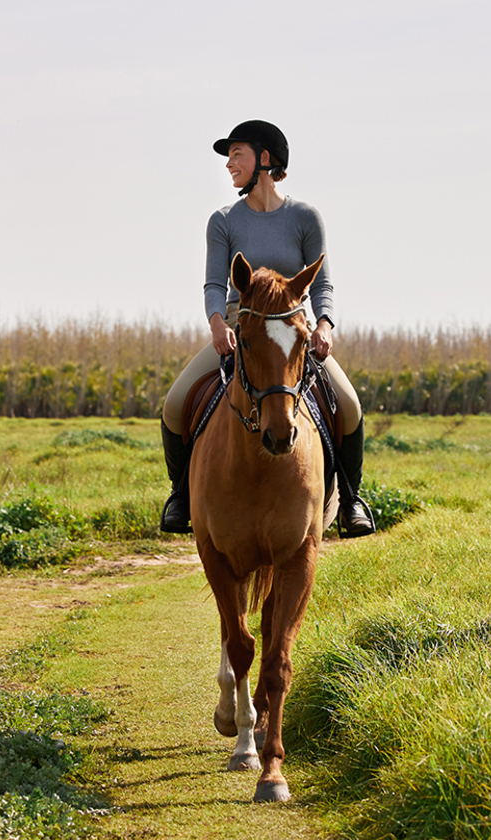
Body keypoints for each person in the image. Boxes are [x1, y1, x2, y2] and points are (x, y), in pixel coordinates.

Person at [159, 120, 374, 537]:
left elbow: (322, 282)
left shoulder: (305, 217)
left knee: (349, 407)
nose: (228, 164)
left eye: (236, 153)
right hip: (240, 327)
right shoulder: (222, 221)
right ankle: (181, 496)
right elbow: (213, 284)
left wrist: (325, 325)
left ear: (264, 159)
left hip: (292, 332)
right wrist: (218, 323)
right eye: (228, 156)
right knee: (174, 403)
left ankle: (351, 500)